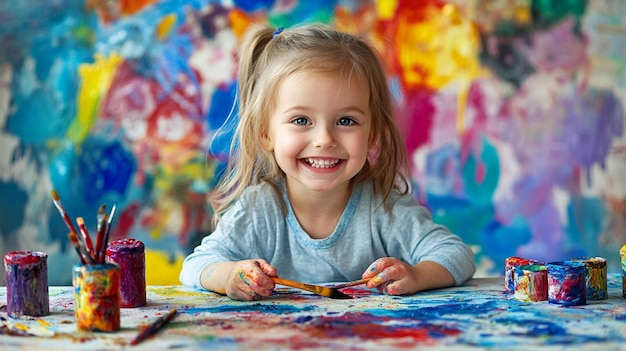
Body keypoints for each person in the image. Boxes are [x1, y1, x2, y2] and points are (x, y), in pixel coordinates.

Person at [179, 23, 475, 301]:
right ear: (265, 133)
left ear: (372, 134)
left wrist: (417, 275)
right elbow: (196, 266)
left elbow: (455, 254)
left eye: (346, 120)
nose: (324, 139)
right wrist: (229, 275)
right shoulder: (259, 210)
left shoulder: (384, 208)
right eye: (301, 120)